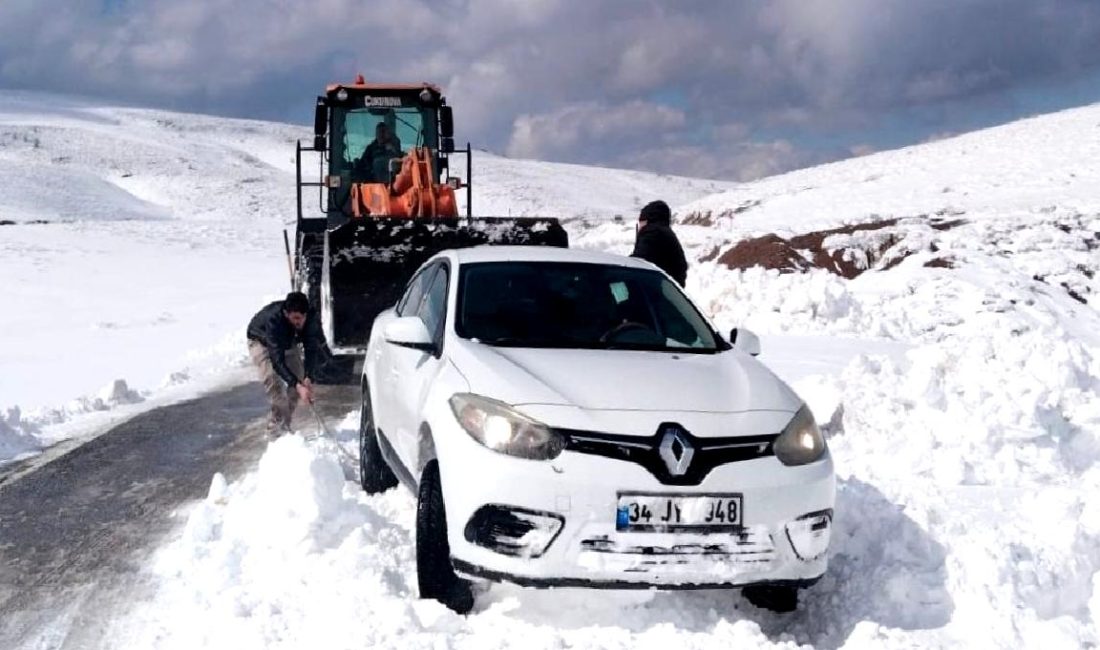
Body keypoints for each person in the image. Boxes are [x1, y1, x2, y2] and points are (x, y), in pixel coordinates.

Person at [246, 291, 333, 434]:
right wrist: (297, 385)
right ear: (286, 314)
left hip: (289, 340)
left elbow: (311, 348)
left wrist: (308, 377)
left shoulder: (311, 318)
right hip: (261, 341)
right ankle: (276, 427)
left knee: (298, 378)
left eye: (301, 318)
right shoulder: (274, 321)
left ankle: (284, 422)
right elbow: (277, 360)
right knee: (272, 380)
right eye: (295, 318)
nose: (299, 322)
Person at [630, 200, 688, 286]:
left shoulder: (652, 233)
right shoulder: (665, 232)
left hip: (660, 288)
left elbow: (638, 262)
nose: (639, 225)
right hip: (670, 289)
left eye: (640, 221)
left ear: (645, 220)